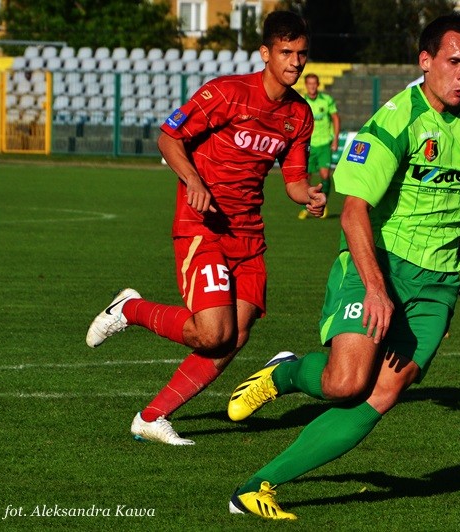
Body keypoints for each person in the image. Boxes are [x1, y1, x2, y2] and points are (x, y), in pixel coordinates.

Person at [226, 13, 460, 520]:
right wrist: (376, 288)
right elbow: (353, 211)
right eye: (454, 62)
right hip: (376, 262)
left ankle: (257, 487)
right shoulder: (395, 120)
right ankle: (285, 373)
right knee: (346, 382)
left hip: (437, 284)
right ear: (426, 62)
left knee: (382, 393)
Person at [84, 11, 325, 446]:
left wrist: (310, 195)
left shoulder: (299, 116)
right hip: (203, 225)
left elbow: (292, 181)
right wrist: (192, 180)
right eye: (286, 52)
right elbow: (168, 138)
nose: (295, 62)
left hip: (248, 236)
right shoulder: (227, 93)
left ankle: (151, 416)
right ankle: (129, 310)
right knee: (213, 332)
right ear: (265, 53)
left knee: (235, 337)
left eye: (302, 53)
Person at [298, 73, 340, 220]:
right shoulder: (301, 101)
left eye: (314, 83)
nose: (312, 86)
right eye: (309, 83)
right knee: (306, 178)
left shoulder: (326, 100)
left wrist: (335, 139)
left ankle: (323, 203)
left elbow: (335, 118)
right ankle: (306, 207)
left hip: (323, 145)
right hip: (308, 146)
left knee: (325, 176)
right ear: (306, 85)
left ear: (318, 84)